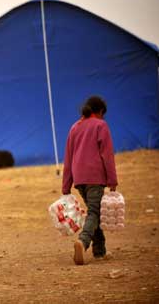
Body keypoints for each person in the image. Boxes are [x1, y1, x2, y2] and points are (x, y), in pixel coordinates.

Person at [62, 95, 118, 265]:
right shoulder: (101, 125)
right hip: (95, 176)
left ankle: (99, 251)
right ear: (100, 111)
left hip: (79, 178)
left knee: (95, 211)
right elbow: (107, 155)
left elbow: (68, 157)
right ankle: (83, 241)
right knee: (95, 212)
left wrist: (66, 185)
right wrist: (112, 179)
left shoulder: (74, 127)